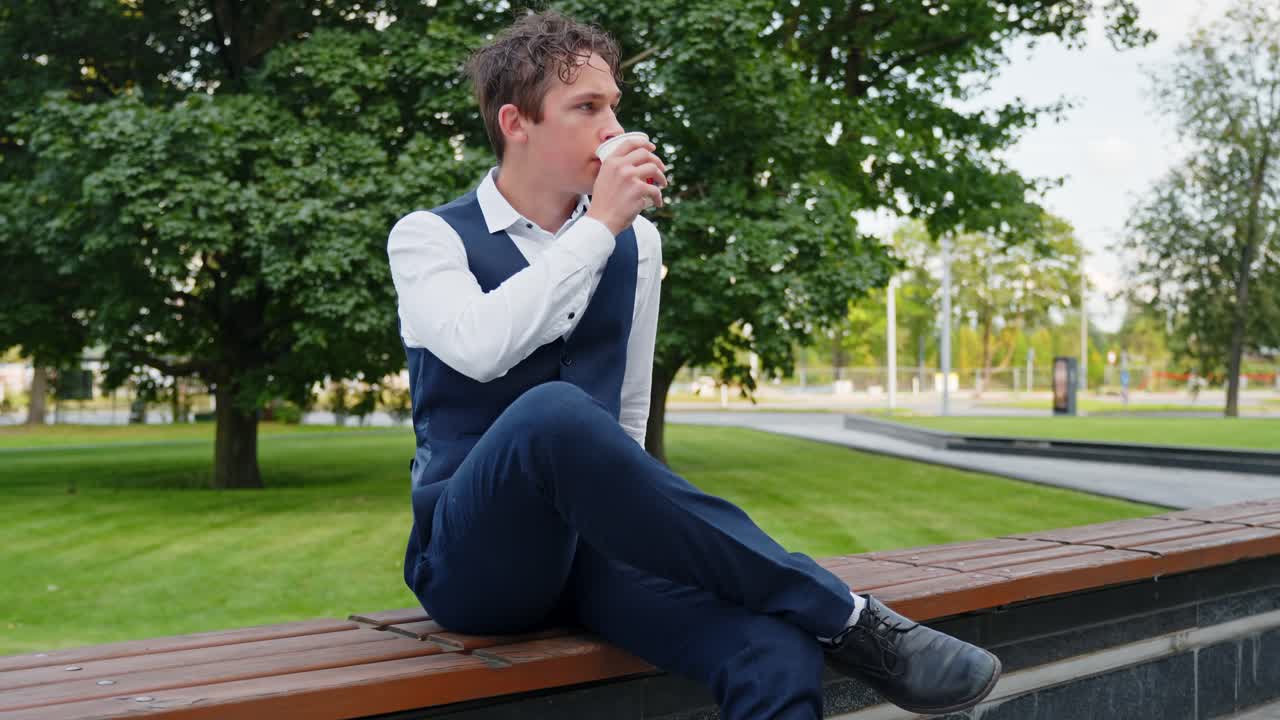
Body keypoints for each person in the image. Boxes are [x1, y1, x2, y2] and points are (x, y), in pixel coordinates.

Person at [386, 10, 1001, 719]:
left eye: (614, 104)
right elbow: (479, 346)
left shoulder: (634, 244)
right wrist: (597, 229)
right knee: (552, 413)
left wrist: (611, 232)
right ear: (516, 123)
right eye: (586, 107)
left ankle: (824, 624)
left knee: (774, 652)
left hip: (590, 554)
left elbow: (624, 417)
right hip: (474, 565)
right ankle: (848, 617)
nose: (614, 128)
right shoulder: (429, 237)